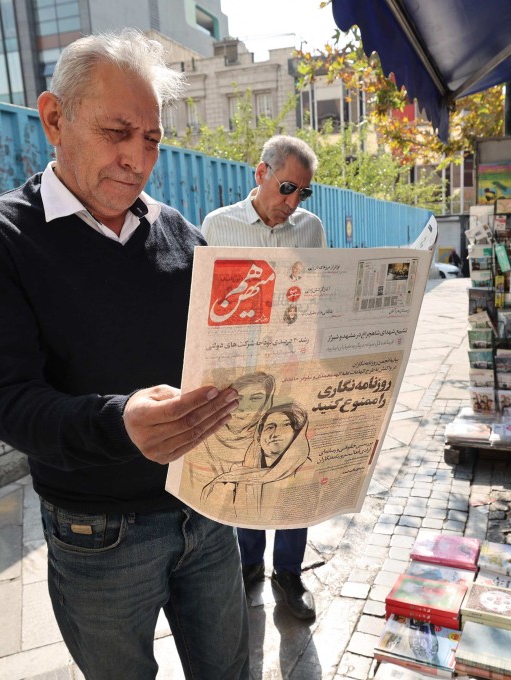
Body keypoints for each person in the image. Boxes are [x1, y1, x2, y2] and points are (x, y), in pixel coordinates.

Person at [0, 31, 250, 680]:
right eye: (118, 131)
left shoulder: (182, 233)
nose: (135, 158)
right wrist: (120, 423)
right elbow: (6, 402)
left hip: (206, 510)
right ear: (55, 118)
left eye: (151, 139)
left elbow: (222, 359)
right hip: (97, 533)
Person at [199, 134, 325, 620]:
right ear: (261, 174)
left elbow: (316, 299)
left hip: (294, 368)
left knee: (294, 467)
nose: (291, 204)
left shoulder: (310, 231)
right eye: (286, 188)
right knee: (250, 460)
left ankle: (288, 576)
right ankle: (248, 565)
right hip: (241, 374)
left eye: (302, 193)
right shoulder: (218, 226)